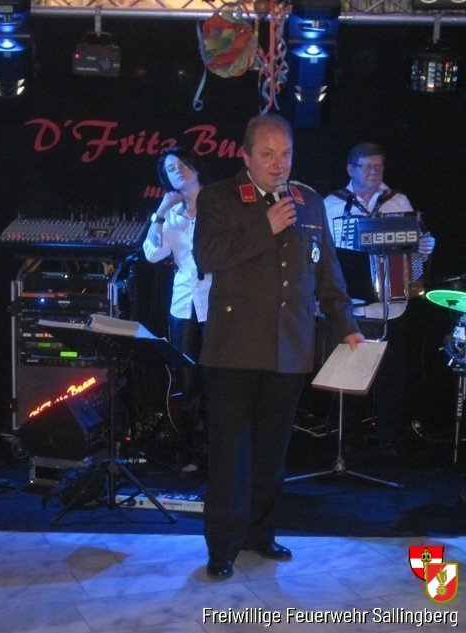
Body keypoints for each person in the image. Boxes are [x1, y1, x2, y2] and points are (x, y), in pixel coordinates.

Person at [193, 114, 364, 580]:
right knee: (230, 453)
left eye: (285, 153)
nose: (278, 163)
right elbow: (207, 256)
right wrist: (263, 225)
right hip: (234, 349)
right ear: (245, 155)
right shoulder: (220, 197)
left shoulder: (309, 202)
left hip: (290, 346)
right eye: (267, 154)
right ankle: (223, 547)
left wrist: (346, 325)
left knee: (272, 452)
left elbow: (326, 272)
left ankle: (260, 534)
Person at [324, 142, 436, 455]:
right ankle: (348, 438)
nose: (374, 173)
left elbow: (418, 247)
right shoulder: (332, 204)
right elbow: (319, 252)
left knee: (393, 375)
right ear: (351, 169)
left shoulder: (397, 201)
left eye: (379, 166)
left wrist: (425, 249)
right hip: (353, 306)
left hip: (392, 304)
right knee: (350, 375)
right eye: (368, 167)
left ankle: (388, 439)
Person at [143, 146, 211, 472]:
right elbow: (152, 253)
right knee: (187, 377)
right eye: (171, 169)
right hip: (184, 303)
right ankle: (193, 451)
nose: (178, 170)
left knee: (217, 376)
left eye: (182, 164)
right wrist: (159, 213)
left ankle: (221, 448)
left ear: (195, 166)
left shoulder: (217, 204)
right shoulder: (171, 214)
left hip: (217, 301)